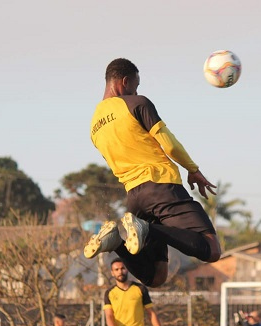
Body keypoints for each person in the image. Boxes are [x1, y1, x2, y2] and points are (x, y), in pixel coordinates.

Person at [85, 57, 221, 288]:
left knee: (155, 277)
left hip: (134, 197)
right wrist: (193, 170)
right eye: (135, 86)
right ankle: (147, 228)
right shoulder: (136, 103)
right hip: (160, 186)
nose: (136, 91)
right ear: (125, 81)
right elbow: (169, 145)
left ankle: (116, 240)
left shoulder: (94, 126)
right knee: (211, 249)